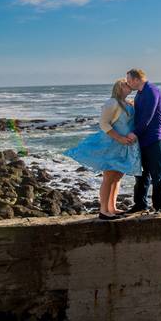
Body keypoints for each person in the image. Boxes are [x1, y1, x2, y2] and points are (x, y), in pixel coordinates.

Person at [63, 79, 141, 220]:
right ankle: (104, 211)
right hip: (112, 145)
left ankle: (112, 208)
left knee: (117, 178)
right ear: (118, 87)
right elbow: (104, 124)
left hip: (123, 147)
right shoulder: (112, 103)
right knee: (108, 177)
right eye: (125, 83)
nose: (129, 84)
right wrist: (119, 138)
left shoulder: (127, 103)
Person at [125, 68, 161, 213]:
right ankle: (140, 204)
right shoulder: (140, 93)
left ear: (137, 79)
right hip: (142, 139)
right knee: (141, 174)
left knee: (157, 173)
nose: (128, 83)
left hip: (155, 137)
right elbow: (139, 114)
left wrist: (135, 133)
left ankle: (160, 205)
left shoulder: (151, 90)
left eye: (129, 80)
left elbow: (148, 116)